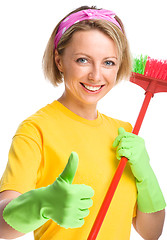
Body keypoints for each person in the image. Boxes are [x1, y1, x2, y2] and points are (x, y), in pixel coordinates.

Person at [0, 5, 166, 240]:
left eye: (108, 62)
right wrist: (41, 204)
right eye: (83, 60)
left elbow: (151, 233)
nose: (96, 76)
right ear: (59, 61)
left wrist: (146, 174)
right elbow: (2, 227)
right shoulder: (36, 129)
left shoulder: (125, 134)